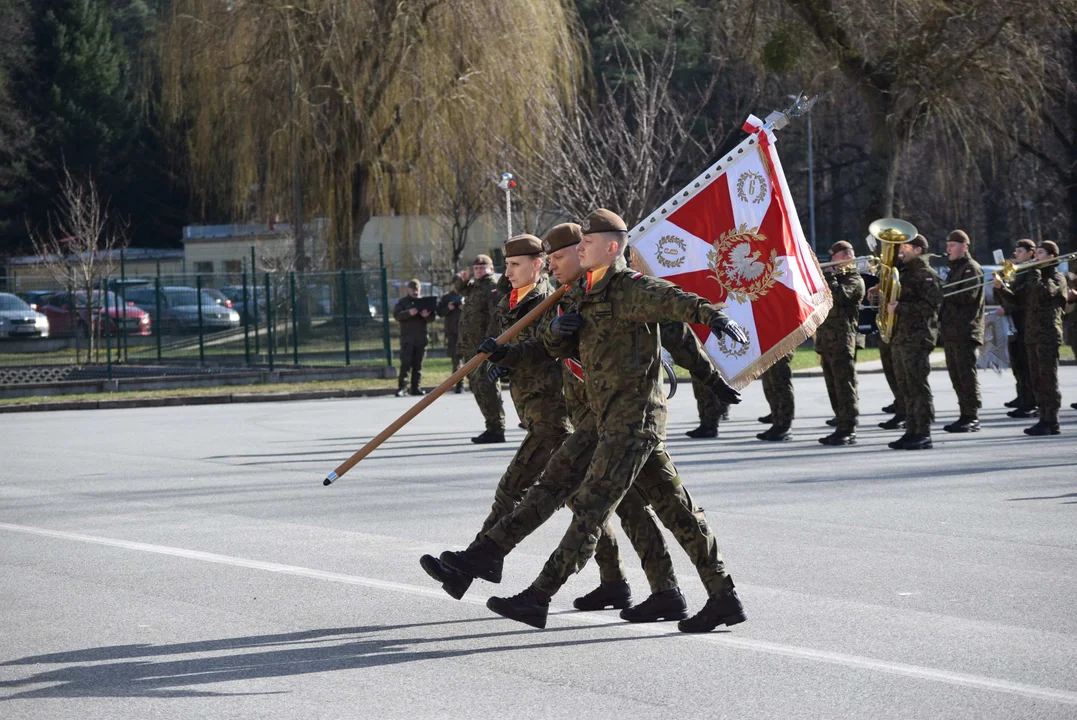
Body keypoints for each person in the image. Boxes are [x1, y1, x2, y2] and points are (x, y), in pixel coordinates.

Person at [439, 208, 750, 633]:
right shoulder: (579, 293)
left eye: (587, 242)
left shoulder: (629, 288)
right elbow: (549, 344)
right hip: (599, 417)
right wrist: (510, 351)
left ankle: (539, 595)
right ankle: (722, 598)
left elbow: (675, 304)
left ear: (611, 246)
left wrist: (715, 319)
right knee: (655, 506)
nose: (579, 247)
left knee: (591, 506)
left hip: (634, 421)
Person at [995, 241, 1068, 435]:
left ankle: (1051, 420)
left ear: (1051, 257)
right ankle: (1043, 418)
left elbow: (1042, 293)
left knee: (1048, 379)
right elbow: (1018, 299)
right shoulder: (1034, 276)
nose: (1037, 256)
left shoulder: (1056, 277)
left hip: (1048, 334)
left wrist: (1034, 270)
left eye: (1041, 253)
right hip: (1032, 334)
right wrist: (1001, 288)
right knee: (1036, 379)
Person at [886, 233, 943, 450]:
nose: (900, 249)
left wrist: (899, 308)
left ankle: (923, 432)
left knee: (918, 386)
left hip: (917, 337)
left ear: (917, 249)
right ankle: (911, 431)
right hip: (901, 337)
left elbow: (930, 308)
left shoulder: (926, 274)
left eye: (905, 246)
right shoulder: (903, 272)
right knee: (905, 388)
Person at [815, 240, 865, 445]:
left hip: (843, 341)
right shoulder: (836, 278)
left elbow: (839, 297)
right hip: (827, 340)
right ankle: (840, 422)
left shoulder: (854, 279)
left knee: (845, 385)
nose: (831, 262)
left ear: (845, 257)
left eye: (834, 257)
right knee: (833, 386)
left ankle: (848, 428)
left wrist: (828, 277)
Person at [453, 254, 505, 443]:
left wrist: (490, 340)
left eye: (483, 268)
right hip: (471, 347)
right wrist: (461, 279)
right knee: (477, 387)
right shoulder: (475, 287)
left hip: (483, 346)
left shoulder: (492, 288)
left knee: (487, 387)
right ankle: (491, 426)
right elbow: (459, 289)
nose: (479, 271)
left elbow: (496, 316)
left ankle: (497, 428)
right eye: (476, 269)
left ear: (491, 269)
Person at [940, 230, 985, 433]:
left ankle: (971, 416)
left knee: (966, 375)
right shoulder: (955, 268)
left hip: (966, 330)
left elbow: (967, 296)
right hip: (952, 331)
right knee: (956, 375)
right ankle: (964, 413)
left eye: (953, 245)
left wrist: (941, 292)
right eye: (948, 245)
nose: (948, 249)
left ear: (964, 246)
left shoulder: (971, 268)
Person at [996, 239, 1039, 417]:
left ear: (1031, 253)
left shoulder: (1031, 272)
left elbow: (1022, 300)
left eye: (1020, 251)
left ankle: (1030, 401)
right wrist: (1002, 276)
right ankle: (1022, 395)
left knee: (1026, 363)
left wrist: (1007, 307)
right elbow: (1007, 294)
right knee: (1017, 362)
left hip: (1025, 322)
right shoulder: (1017, 270)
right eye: (1016, 251)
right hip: (1015, 322)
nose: (1016, 254)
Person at [392, 279, 431, 397]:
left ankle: (416, 387)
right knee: (405, 363)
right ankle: (402, 387)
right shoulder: (402, 302)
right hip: (407, 338)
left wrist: (427, 316)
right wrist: (409, 313)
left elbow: (432, 318)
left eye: (417, 290)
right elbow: (397, 315)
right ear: (408, 290)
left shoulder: (425, 301)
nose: (415, 292)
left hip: (421, 337)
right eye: (413, 290)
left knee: (418, 365)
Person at [757, 352, 795, 441]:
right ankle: (777, 422)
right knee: (769, 387)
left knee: (781, 385)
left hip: (780, 347)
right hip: (766, 348)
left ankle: (785, 426)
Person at [436, 289, 464, 394]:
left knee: (471, 359)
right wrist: (448, 308)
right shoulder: (446, 297)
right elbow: (439, 312)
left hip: (467, 333)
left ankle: (473, 384)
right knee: (456, 361)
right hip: (452, 333)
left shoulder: (469, 294)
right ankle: (459, 385)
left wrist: (464, 308)